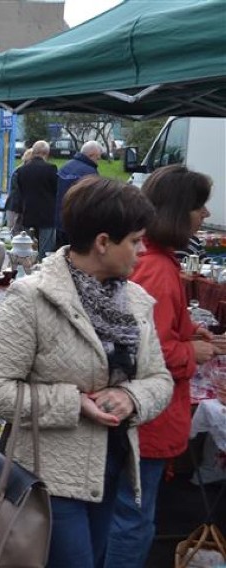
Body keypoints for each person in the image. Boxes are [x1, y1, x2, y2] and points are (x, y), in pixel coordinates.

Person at [0, 176, 173, 568]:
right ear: (103, 242)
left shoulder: (135, 300)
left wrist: (131, 398)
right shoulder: (32, 297)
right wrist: (73, 402)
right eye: (134, 240)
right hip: (47, 480)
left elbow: (159, 379)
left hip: (110, 471)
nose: (142, 249)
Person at [105, 165, 223, 568]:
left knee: (129, 514)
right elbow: (145, 349)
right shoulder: (156, 266)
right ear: (177, 210)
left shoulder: (157, 260)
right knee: (133, 519)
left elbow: (158, 326)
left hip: (145, 415)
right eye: (198, 206)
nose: (205, 214)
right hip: (148, 416)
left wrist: (195, 334)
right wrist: (193, 352)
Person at [14, 140, 58, 258]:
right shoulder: (51, 169)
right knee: (45, 249)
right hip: (47, 214)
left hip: (28, 212)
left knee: (27, 249)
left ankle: (27, 269)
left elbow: (21, 191)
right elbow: (56, 190)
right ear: (46, 154)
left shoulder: (22, 170)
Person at [55, 140, 103, 247]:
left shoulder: (65, 167)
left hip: (59, 221)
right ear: (91, 155)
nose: (98, 162)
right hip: (78, 224)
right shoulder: (90, 173)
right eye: (98, 158)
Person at [4, 148, 33, 235]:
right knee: (17, 231)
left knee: (12, 230)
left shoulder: (17, 170)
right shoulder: (23, 172)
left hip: (12, 204)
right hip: (18, 206)